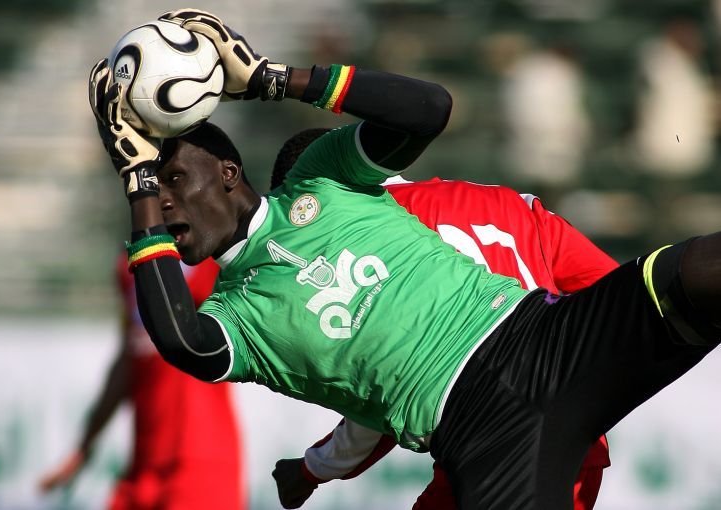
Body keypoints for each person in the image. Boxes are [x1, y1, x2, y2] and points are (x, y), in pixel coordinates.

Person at [88, 9, 721, 509]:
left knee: (698, 271)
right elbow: (184, 344)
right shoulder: (235, 313)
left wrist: (269, 79)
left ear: (229, 171)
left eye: (173, 179)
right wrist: (134, 177)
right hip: (480, 435)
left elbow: (427, 109)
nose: (160, 201)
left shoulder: (319, 177)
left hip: (543, 338)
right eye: (148, 189)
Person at [268, 128, 616, 510]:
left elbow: (383, 392)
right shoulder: (507, 200)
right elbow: (611, 292)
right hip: (579, 440)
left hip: (496, 446)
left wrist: (310, 470)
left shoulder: (377, 244)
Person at [38, 254, 245, 510]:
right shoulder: (131, 265)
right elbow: (128, 359)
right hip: (143, 468)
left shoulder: (212, 260)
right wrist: (84, 446)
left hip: (200, 463)